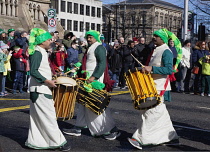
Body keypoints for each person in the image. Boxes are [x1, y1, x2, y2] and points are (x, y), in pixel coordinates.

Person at [63, 30, 121, 140]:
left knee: (95, 104)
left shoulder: (99, 47)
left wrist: (94, 77)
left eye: (91, 37)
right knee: (83, 103)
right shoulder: (91, 47)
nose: (88, 39)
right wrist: (79, 66)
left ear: (96, 38)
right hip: (87, 78)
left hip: (94, 80)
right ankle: (78, 127)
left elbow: (102, 64)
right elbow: (89, 61)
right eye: (87, 37)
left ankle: (110, 129)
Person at [128, 29, 179, 150]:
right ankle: (172, 138)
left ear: (163, 39)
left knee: (150, 112)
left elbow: (168, 70)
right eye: (154, 35)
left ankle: (140, 139)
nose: (154, 37)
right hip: (151, 85)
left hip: (159, 86)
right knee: (158, 113)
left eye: (156, 36)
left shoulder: (166, 51)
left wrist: (152, 69)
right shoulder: (156, 49)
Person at [25, 28, 71, 151]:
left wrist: (52, 76)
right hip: (40, 90)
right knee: (49, 117)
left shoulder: (40, 51)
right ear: (42, 41)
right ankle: (58, 142)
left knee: (39, 119)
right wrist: (47, 81)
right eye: (48, 39)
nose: (50, 41)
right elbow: (33, 71)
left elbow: (39, 70)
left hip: (40, 89)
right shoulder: (37, 52)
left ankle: (37, 142)